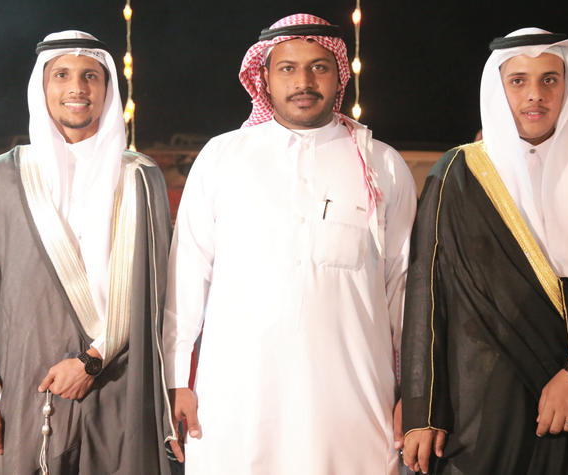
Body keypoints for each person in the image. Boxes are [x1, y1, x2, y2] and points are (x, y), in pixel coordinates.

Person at [163, 13, 417, 475]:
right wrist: (177, 378)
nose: (304, 82)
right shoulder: (222, 157)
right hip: (238, 399)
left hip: (354, 403)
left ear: (339, 75)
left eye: (319, 67)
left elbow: (403, 286)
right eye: (288, 68)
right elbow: (187, 274)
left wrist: (414, 392)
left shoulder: (382, 164)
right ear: (263, 77)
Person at [401, 28, 568, 475]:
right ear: (497, 89)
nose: (535, 94)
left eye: (549, 80)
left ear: (567, 87)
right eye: (518, 80)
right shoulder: (457, 174)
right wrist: (422, 412)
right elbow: (428, 294)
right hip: (482, 402)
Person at [0, 31, 175, 474]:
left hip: (118, 382)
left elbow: (160, 292)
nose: (77, 87)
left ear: (107, 89)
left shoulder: (140, 176)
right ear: (41, 86)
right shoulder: (0, 177)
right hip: (22, 386)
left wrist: (93, 360)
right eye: (62, 75)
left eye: (90, 76)